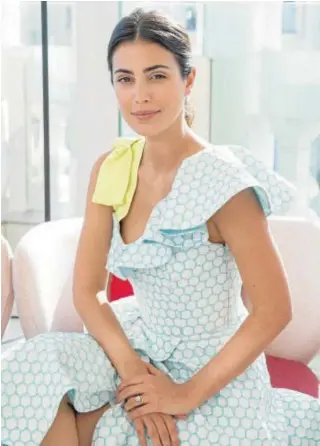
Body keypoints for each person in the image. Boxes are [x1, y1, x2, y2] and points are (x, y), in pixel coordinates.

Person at [2, 8, 319, 446]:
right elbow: (88, 290)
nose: (140, 96)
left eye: (156, 76)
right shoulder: (112, 169)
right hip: (136, 343)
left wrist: (184, 394)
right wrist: (132, 369)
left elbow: (274, 309)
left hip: (208, 366)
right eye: (125, 79)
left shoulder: (223, 182)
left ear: (188, 82)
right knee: (28, 368)